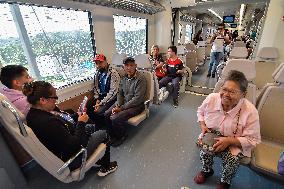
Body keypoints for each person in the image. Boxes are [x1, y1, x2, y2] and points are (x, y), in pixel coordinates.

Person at [23, 81, 118, 176]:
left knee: (91, 127)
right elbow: (74, 145)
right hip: (73, 157)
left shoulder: (33, 113)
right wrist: (81, 122)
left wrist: (77, 115)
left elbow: (64, 121)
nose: (56, 100)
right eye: (54, 97)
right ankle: (106, 167)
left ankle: (98, 158)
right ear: (42, 100)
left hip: (67, 141)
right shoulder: (47, 122)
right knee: (103, 133)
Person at [194, 70, 261, 189]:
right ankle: (207, 170)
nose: (226, 94)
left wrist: (229, 141)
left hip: (234, 141)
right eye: (224, 89)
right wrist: (203, 126)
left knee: (232, 161)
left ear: (243, 94)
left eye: (232, 92)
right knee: (204, 153)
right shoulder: (211, 98)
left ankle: (225, 181)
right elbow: (200, 112)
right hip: (212, 135)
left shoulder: (250, 112)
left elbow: (253, 140)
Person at [104, 57, 147, 147]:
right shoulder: (123, 78)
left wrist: (121, 108)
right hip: (124, 102)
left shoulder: (141, 79)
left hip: (137, 105)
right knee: (106, 114)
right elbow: (120, 93)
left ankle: (122, 136)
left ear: (135, 66)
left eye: (131, 65)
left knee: (115, 118)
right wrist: (118, 105)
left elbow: (137, 99)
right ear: (124, 67)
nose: (129, 68)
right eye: (126, 65)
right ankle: (112, 135)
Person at [86, 54, 120, 130]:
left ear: (106, 61)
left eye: (100, 63)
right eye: (96, 63)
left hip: (112, 98)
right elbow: (96, 88)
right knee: (88, 106)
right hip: (101, 97)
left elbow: (113, 92)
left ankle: (106, 127)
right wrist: (97, 99)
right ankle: (100, 125)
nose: (98, 65)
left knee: (99, 111)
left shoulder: (113, 73)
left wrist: (101, 103)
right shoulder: (97, 73)